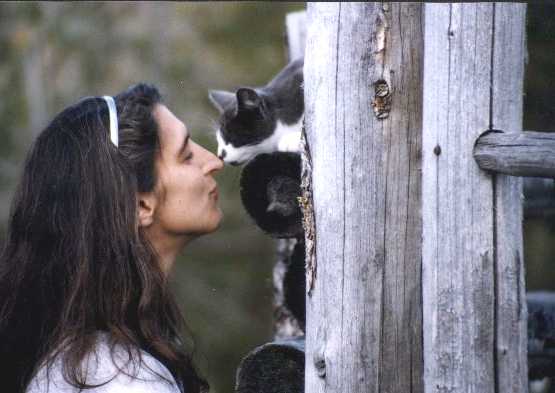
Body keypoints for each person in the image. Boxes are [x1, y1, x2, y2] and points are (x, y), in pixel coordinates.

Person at [0, 83, 223, 392]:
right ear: (141, 204)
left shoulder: (95, 365)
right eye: (186, 156)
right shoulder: (117, 379)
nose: (214, 161)